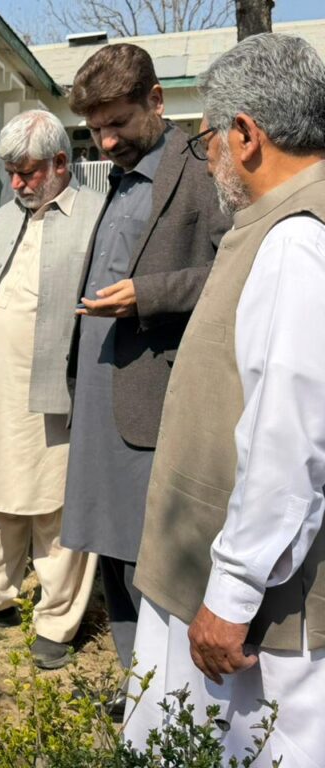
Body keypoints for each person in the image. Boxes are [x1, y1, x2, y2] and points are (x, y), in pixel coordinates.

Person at [125, 34, 325, 766]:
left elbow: (290, 445)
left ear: (245, 135)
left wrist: (231, 598)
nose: (207, 157)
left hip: (255, 621)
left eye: (207, 138)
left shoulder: (296, 244)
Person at [60, 44, 231, 684]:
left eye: (118, 124)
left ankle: (172, 701)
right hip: (105, 406)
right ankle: (140, 695)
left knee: (152, 563)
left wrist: (148, 297)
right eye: (95, 128)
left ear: (157, 101)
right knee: (112, 553)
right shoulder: (122, 170)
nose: (105, 142)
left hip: (156, 407)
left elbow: (235, 270)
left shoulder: (201, 166)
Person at [0, 111, 102, 669]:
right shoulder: (3, 218)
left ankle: (57, 621)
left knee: (54, 504)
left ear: (61, 163)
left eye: (27, 171)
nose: (17, 183)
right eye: (10, 172)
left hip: (58, 388)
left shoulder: (94, 217)